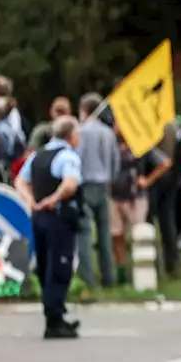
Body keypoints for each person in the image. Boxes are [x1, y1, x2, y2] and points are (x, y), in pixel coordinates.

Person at [13, 116, 85, 339]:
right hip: (59, 217)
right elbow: (70, 184)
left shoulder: (37, 156)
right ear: (71, 136)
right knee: (60, 266)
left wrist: (31, 200)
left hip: (39, 218)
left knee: (45, 266)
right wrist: (54, 199)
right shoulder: (67, 157)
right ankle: (54, 319)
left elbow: (20, 181)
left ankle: (54, 314)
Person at [110, 135, 171, 284]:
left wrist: (148, 180)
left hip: (136, 196)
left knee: (139, 233)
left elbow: (165, 163)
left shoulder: (141, 144)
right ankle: (121, 272)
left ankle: (145, 270)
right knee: (116, 234)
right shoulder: (111, 144)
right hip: (115, 195)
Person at [76, 93, 120, 289]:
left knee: (85, 232)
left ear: (85, 110)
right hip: (104, 184)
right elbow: (115, 161)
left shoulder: (82, 131)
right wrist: (110, 177)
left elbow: (78, 157)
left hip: (86, 183)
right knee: (104, 234)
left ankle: (88, 279)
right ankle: (109, 277)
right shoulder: (109, 133)